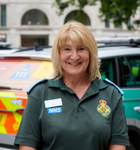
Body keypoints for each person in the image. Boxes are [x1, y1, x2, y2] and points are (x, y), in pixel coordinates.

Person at [14, 21, 130, 150]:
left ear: (91, 53)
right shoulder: (40, 93)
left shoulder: (111, 93)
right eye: (67, 49)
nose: (74, 56)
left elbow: (118, 145)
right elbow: (27, 146)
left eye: (81, 49)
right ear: (59, 53)